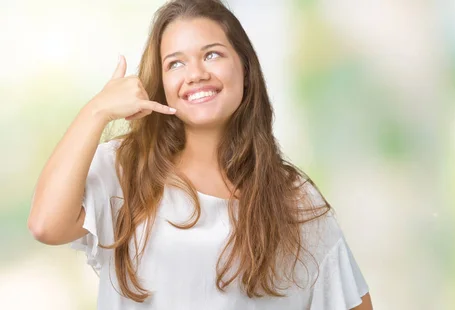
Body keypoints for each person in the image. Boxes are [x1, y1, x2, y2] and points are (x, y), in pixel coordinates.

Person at [27, 0, 372, 309]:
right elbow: (46, 225)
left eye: (212, 54)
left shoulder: (293, 199)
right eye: (175, 63)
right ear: (161, 83)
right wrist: (97, 110)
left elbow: (350, 299)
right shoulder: (122, 169)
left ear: (246, 69)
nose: (196, 74)